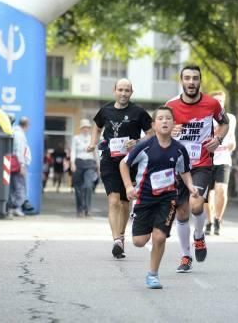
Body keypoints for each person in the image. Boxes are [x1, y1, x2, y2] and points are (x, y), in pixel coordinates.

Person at [121, 106, 198, 289]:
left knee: (160, 237)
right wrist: (128, 186)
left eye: (168, 119)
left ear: (173, 124)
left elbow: (185, 171)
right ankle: (143, 229)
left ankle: (153, 274)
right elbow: (124, 165)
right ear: (154, 125)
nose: (165, 121)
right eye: (161, 119)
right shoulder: (145, 146)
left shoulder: (179, 149)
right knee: (139, 242)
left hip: (168, 198)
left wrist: (190, 185)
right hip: (144, 199)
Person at [165, 65, 229, 273]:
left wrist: (218, 138)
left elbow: (224, 123)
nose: (191, 82)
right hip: (178, 165)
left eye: (195, 78)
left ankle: (199, 236)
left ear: (200, 80)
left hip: (201, 163)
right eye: (187, 78)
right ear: (181, 81)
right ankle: (185, 256)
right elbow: (159, 130)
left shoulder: (211, 103)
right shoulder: (171, 105)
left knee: (195, 204)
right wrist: (169, 130)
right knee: (181, 213)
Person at [89, 78, 153, 259]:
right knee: (114, 201)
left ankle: (122, 235)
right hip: (109, 160)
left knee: (125, 203)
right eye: (120, 90)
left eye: (127, 90)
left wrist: (137, 142)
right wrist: (93, 142)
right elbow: (97, 126)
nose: (123, 93)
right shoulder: (106, 110)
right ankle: (116, 239)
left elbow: (151, 134)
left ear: (131, 92)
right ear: (114, 90)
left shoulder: (139, 112)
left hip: (130, 161)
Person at [205, 91, 236, 236]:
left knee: (221, 190)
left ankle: (218, 219)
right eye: (216, 100)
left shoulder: (230, 118)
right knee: (207, 195)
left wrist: (232, 146)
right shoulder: (205, 119)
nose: (219, 103)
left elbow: (232, 140)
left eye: (221, 101)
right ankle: (209, 221)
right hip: (207, 160)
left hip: (224, 160)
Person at [70, 119, 97, 217]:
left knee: (88, 186)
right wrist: (72, 163)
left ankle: (88, 209)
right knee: (78, 188)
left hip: (90, 163)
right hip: (78, 163)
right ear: (81, 128)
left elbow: (95, 153)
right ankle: (80, 209)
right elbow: (73, 151)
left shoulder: (92, 138)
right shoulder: (76, 138)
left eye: (87, 127)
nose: (86, 129)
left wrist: (98, 165)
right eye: (84, 127)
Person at [7, 117, 32, 217]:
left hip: (14, 164)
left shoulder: (14, 132)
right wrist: (22, 165)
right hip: (18, 165)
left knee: (13, 187)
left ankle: (13, 208)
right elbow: (19, 151)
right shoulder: (20, 135)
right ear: (26, 125)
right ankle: (14, 207)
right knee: (21, 188)